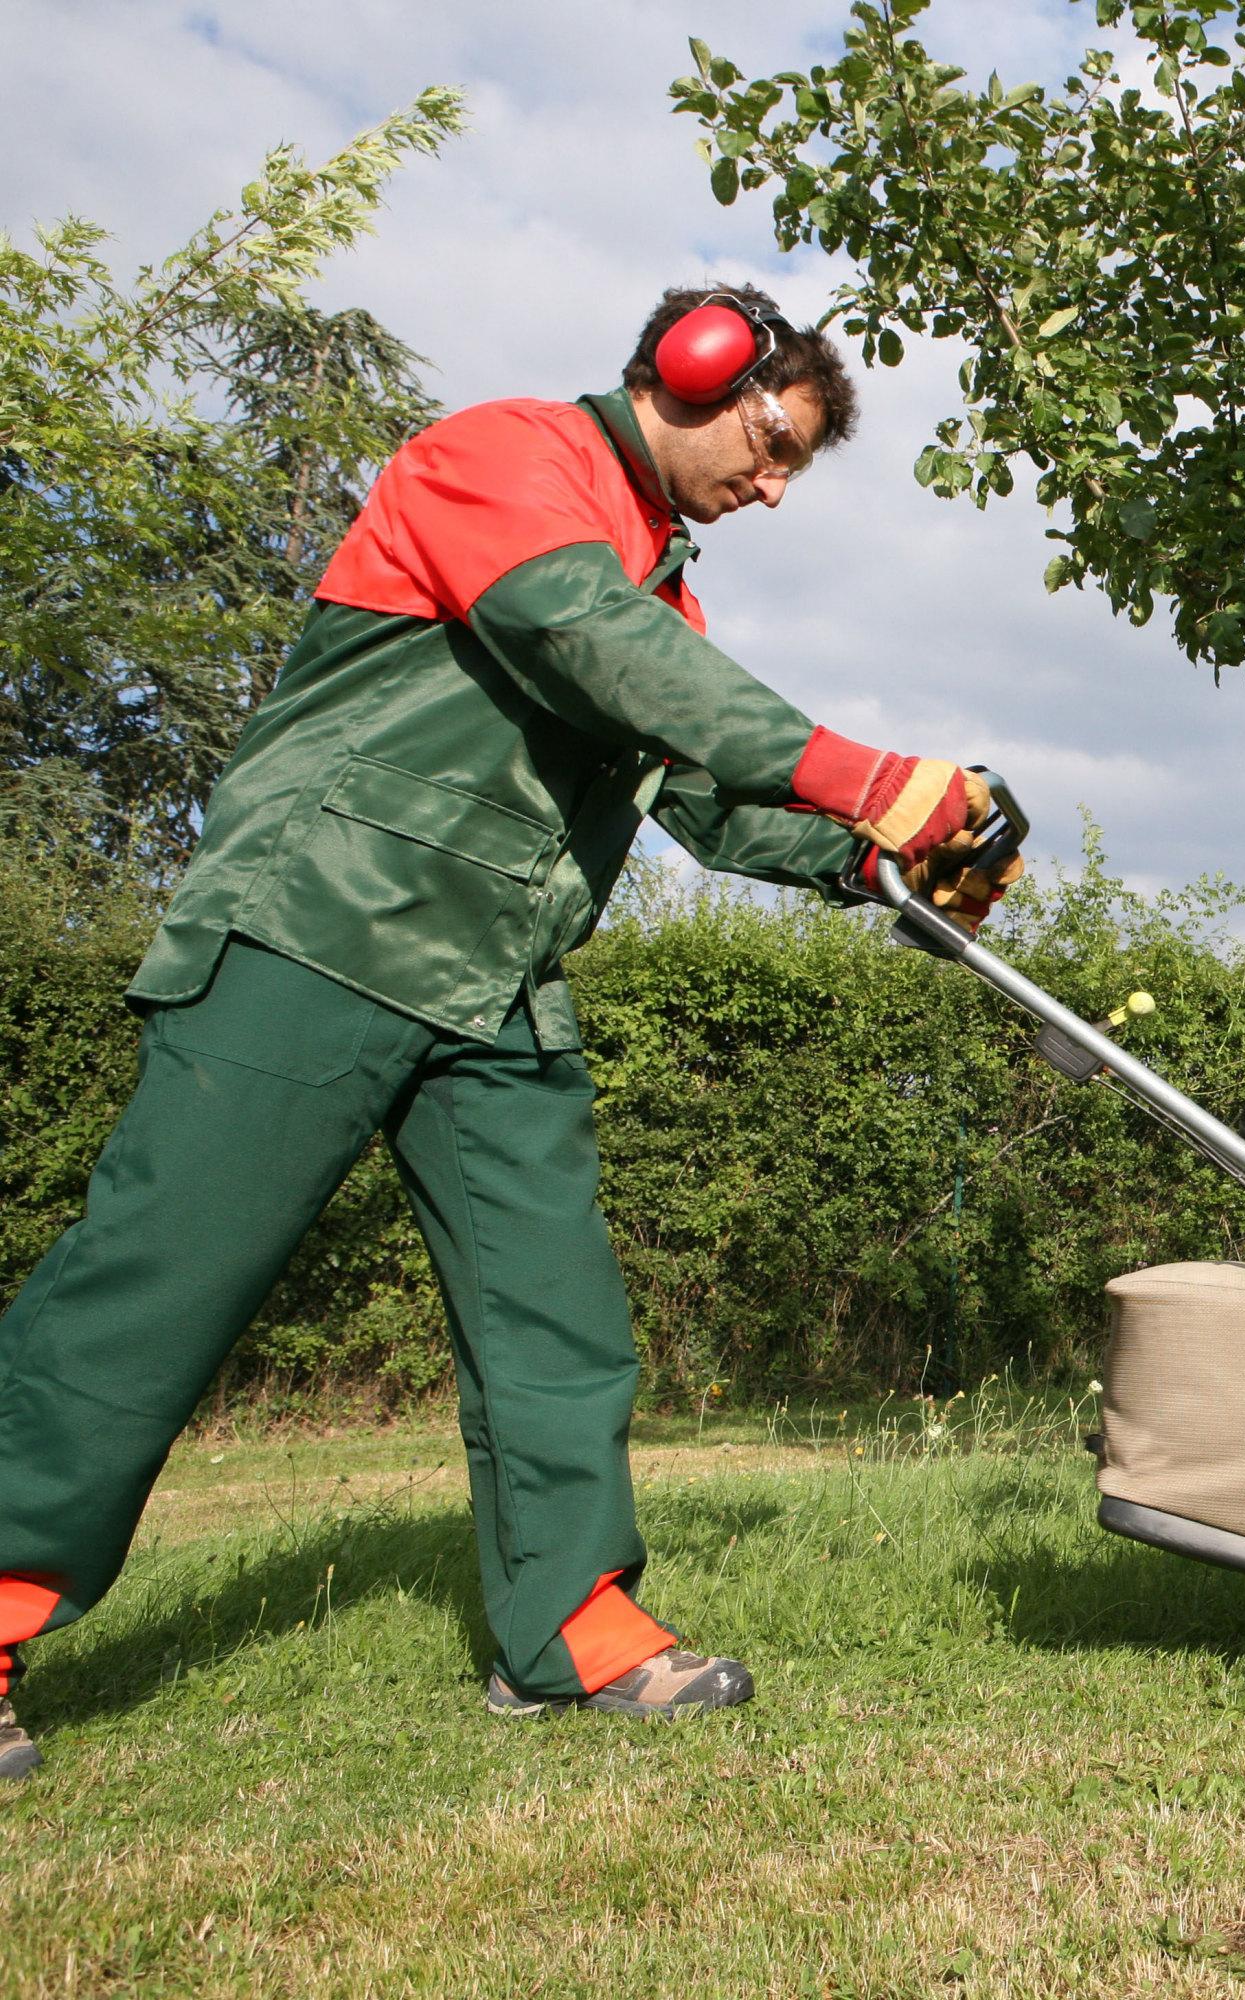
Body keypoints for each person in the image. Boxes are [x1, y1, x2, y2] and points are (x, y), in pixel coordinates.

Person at [0, 284, 1016, 1781]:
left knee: (556, 1320)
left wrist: (889, 865)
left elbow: (707, 794)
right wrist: (871, 774)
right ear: (698, 367)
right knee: (154, 1290)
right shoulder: (502, 464)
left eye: (798, 462)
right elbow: (583, 637)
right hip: (324, 926)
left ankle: (573, 1623)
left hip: (496, 982)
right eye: (773, 440)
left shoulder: (662, 594)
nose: (776, 485)